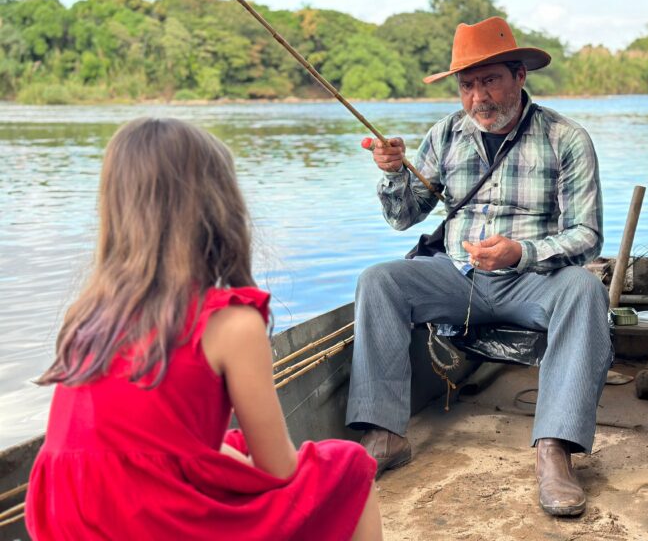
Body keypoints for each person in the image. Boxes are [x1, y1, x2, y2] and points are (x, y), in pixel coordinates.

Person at [26, 118, 382, 541]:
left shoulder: (88, 314)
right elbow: (280, 467)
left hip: (64, 516)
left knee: (228, 442)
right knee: (348, 465)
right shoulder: (231, 323)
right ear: (220, 210)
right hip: (152, 519)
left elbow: (148, 438)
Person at [346, 16, 612, 517]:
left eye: (489, 80)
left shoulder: (567, 138)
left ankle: (554, 452)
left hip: (535, 281)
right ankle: (384, 435)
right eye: (467, 85)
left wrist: (522, 253)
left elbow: (587, 236)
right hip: (457, 278)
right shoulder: (445, 135)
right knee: (377, 280)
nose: (477, 98)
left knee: (585, 291)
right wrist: (392, 173)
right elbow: (403, 218)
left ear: (519, 76)